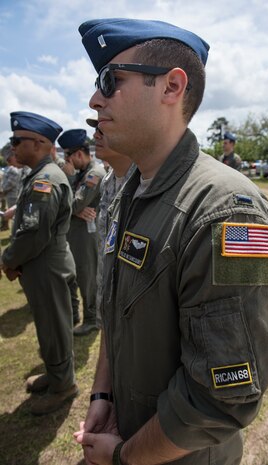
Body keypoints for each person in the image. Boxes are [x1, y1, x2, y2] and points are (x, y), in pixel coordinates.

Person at [74, 18, 268, 465]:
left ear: (171, 87)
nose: (94, 99)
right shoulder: (131, 191)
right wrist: (104, 394)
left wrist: (123, 457)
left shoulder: (225, 211)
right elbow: (117, 311)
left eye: (110, 81)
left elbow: (221, 398)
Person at [2, 111, 78, 415]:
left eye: (17, 141)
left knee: (54, 326)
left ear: (38, 143)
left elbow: (33, 235)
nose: (13, 147)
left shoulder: (45, 180)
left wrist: (8, 259)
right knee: (48, 325)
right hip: (42, 264)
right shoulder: (39, 176)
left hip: (46, 265)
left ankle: (63, 386)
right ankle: (56, 374)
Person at [86, 117, 134, 327]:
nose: (96, 135)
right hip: (108, 296)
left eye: (103, 129)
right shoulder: (108, 180)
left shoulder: (146, 182)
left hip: (132, 311)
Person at [58, 129, 106, 336]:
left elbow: (76, 203)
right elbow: (71, 206)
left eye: (68, 157)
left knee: (87, 277)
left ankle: (92, 319)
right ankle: (81, 314)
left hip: (87, 235)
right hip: (77, 234)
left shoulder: (94, 174)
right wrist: (75, 211)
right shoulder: (82, 174)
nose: (67, 162)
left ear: (78, 154)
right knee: (77, 275)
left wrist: (68, 181)